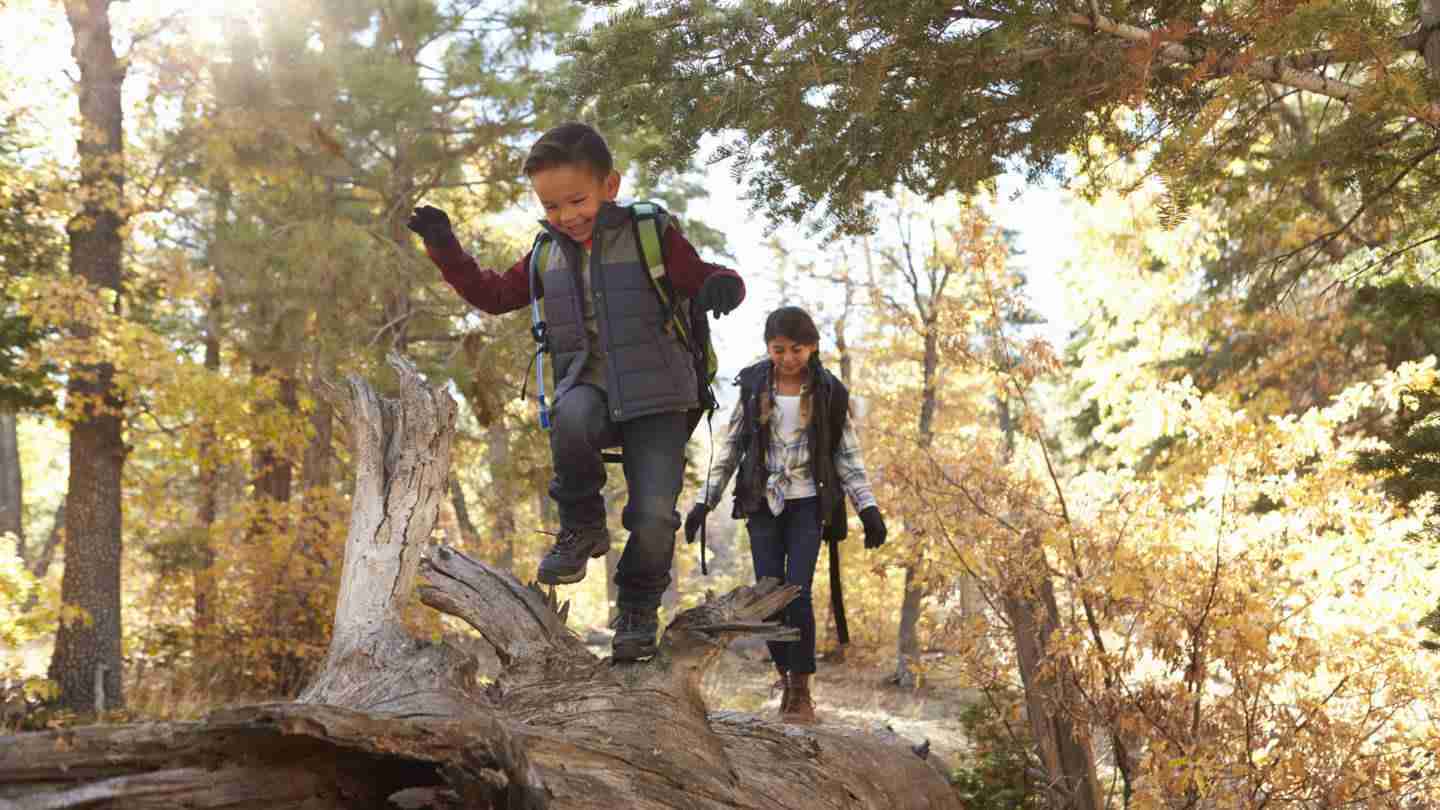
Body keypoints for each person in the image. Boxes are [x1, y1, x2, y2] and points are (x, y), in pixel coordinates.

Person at [408, 122, 745, 662]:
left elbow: (699, 275)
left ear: (609, 186)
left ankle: (636, 611)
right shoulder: (547, 252)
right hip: (590, 383)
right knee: (568, 412)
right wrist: (444, 246)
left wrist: (722, 285)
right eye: (552, 205)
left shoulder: (648, 231)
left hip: (661, 396)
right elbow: (493, 294)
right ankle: (582, 527)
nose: (566, 215)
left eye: (576, 200)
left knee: (656, 515)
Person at [685, 306, 887, 723]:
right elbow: (732, 448)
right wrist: (705, 501)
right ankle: (783, 674)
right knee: (770, 593)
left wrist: (868, 509)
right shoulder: (754, 384)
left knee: (797, 592)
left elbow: (847, 457)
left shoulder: (829, 392)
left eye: (797, 349)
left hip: (808, 502)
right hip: (762, 501)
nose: (789, 358)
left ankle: (801, 688)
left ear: (811, 347)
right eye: (779, 350)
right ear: (768, 348)